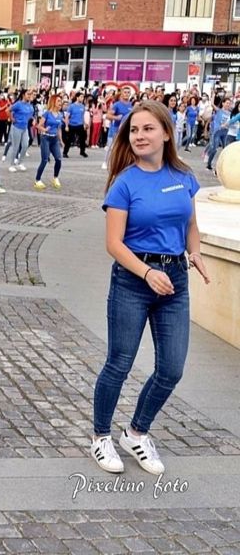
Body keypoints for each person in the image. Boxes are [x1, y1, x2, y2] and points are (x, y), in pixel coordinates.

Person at [90, 100, 210, 476]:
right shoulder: (125, 183)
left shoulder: (184, 176)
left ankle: (136, 432)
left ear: (167, 133)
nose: (139, 136)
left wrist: (196, 252)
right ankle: (100, 437)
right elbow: (114, 244)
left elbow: (189, 221)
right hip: (133, 279)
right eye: (134, 130)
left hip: (175, 280)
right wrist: (145, 273)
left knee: (171, 368)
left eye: (147, 129)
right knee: (120, 363)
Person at [33, 94, 65, 190]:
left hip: (54, 139)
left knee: (58, 159)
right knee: (45, 159)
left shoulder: (60, 115)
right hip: (46, 138)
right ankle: (37, 180)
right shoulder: (47, 113)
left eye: (61, 101)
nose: (60, 103)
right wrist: (44, 129)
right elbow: (38, 126)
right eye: (59, 101)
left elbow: (59, 129)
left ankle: (55, 178)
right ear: (53, 102)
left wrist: (61, 141)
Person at [102, 86, 133, 170]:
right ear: (121, 94)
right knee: (111, 147)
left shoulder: (131, 105)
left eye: (128, 92)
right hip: (115, 129)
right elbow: (108, 115)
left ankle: (123, 163)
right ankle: (105, 162)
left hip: (127, 130)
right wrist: (116, 118)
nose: (126, 94)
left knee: (126, 147)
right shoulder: (117, 105)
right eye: (125, 92)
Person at [5, 90, 35, 171]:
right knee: (16, 146)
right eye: (28, 94)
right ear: (23, 95)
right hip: (16, 127)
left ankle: (20, 162)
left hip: (24, 128)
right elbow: (8, 110)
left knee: (25, 145)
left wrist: (31, 120)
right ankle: (11, 164)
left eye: (30, 94)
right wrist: (12, 119)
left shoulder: (30, 106)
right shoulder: (18, 104)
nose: (29, 96)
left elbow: (31, 115)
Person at [64, 92, 88, 158]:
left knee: (82, 139)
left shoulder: (82, 106)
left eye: (83, 97)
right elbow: (66, 117)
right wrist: (66, 126)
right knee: (69, 140)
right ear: (77, 97)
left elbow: (82, 116)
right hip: (72, 125)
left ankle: (82, 152)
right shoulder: (71, 106)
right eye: (81, 97)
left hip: (80, 125)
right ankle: (65, 152)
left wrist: (84, 124)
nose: (82, 98)